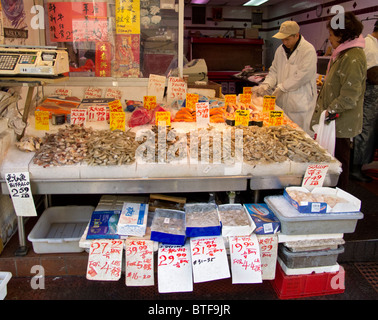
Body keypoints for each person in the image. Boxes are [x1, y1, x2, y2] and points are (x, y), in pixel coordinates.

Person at [311, 12, 367, 190]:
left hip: (340, 123)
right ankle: (328, 192)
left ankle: (338, 198)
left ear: (342, 35)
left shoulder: (353, 57)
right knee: (332, 162)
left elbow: (350, 96)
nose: (329, 39)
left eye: (331, 34)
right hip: (333, 120)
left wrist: (328, 112)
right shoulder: (343, 54)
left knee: (339, 164)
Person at [252, 20, 317, 135]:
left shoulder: (308, 50)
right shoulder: (280, 50)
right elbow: (274, 71)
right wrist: (266, 84)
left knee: (299, 136)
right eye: (282, 39)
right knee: (281, 135)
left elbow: (302, 76)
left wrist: (282, 87)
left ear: (296, 35)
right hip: (282, 103)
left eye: (287, 39)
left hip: (300, 104)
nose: (284, 42)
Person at [350, 20, 378, 182]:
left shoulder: (368, 44)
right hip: (369, 97)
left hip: (369, 98)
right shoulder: (371, 47)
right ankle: (355, 169)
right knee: (365, 132)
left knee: (366, 132)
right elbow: (373, 76)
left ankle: (356, 167)